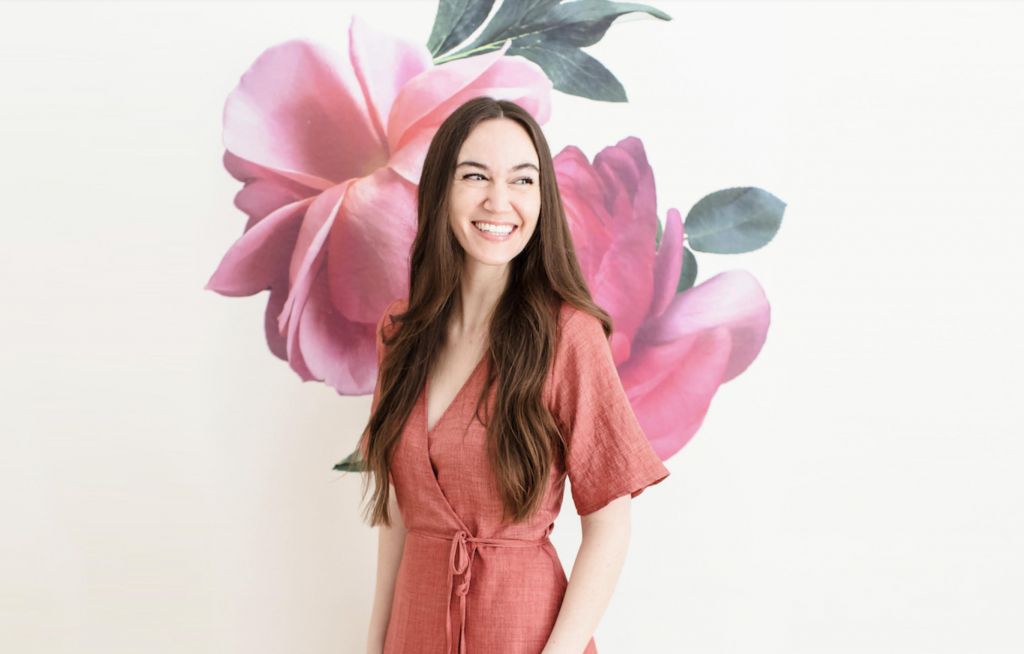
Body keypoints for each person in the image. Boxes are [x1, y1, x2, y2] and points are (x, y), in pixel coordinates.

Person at [359, 96, 670, 654]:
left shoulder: (566, 336)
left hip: (522, 633)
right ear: (441, 191)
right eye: (475, 175)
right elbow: (399, 518)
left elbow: (609, 526)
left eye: (522, 181)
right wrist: (375, 642)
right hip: (415, 628)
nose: (498, 201)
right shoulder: (399, 336)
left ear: (542, 198)